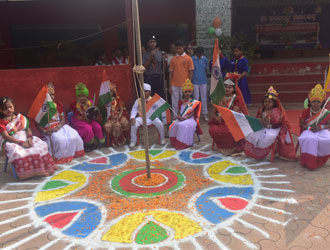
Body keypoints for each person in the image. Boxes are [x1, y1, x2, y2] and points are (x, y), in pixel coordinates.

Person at [0, 97, 57, 179]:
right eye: (5, 108)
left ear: (14, 106)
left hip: (25, 136)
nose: (8, 110)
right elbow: (6, 136)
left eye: (10, 107)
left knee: (41, 146)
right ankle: (27, 172)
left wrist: (29, 138)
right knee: (19, 152)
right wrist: (22, 143)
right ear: (0, 110)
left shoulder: (20, 118)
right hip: (10, 141)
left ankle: (40, 169)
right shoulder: (1, 122)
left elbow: (28, 129)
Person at [243, 86, 296, 161]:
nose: (267, 103)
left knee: (268, 137)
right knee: (251, 135)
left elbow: (276, 123)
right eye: (265, 101)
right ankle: (252, 153)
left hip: (273, 129)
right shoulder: (261, 109)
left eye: (269, 102)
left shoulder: (276, 111)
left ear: (273, 103)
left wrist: (268, 123)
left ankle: (260, 154)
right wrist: (260, 122)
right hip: (263, 127)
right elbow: (257, 119)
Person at [36, 83, 85, 163]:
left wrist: (58, 127)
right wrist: (44, 131)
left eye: (53, 95)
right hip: (48, 129)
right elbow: (37, 124)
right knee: (60, 140)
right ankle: (59, 157)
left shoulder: (57, 106)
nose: (51, 97)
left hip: (59, 127)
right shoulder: (41, 109)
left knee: (74, 135)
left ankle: (74, 154)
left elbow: (62, 119)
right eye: (49, 95)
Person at [209, 74, 248, 155]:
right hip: (219, 122)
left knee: (230, 131)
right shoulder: (219, 97)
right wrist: (216, 117)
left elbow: (233, 114)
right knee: (213, 130)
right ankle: (221, 147)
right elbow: (213, 113)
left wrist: (222, 107)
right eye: (225, 87)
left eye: (230, 87)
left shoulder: (237, 99)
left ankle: (232, 148)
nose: (227, 89)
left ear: (233, 89)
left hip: (231, 122)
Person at [298, 84, 330, 170]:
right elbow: (302, 124)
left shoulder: (326, 112)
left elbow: (329, 124)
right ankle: (309, 161)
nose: (316, 104)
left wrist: (320, 127)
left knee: (328, 139)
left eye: (318, 102)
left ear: (322, 102)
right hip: (309, 130)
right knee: (310, 139)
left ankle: (319, 159)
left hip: (321, 130)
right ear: (310, 102)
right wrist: (310, 128)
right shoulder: (306, 111)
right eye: (314, 101)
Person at [70, 83, 105, 151]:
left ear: (86, 96)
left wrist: (91, 115)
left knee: (97, 126)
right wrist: (82, 116)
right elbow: (77, 114)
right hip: (79, 120)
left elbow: (92, 111)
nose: (81, 98)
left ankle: (98, 141)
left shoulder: (90, 102)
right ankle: (87, 144)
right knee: (87, 129)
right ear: (77, 97)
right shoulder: (75, 104)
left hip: (89, 119)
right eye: (79, 96)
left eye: (83, 96)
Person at [169, 79, 202, 150]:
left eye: (189, 92)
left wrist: (186, 117)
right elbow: (178, 111)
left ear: (191, 92)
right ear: (183, 92)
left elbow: (193, 113)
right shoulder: (180, 101)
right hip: (182, 118)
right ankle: (175, 142)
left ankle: (184, 143)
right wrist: (178, 116)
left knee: (182, 125)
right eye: (186, 92)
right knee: (173, 124)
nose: (187, 93)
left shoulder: (194, 102)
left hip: (190, 119)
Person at [129, 83, 166, 148]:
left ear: (149, 92)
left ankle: (162, 138)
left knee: (160, 124)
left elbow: (157, 109)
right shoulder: (138, 100)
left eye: (146, 91)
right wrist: (132, 117)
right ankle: (133, 141)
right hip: (141, 118)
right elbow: (134, 110)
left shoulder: (153, 100)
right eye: (143, 91)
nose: (144, 92)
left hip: (151, 117)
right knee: (133, 125)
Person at [169, 40, 194, 117]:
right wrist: (170, 86)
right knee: (175, 102)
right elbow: (171, 73)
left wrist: (188, 84)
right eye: (176, 48)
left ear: (183, 47)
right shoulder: (173, 59)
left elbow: (191, 72)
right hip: (174, 84)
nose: (178, 50)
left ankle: (184, 116)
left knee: (185, 102)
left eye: (179, 48)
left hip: (184, 85)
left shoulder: (188, 59)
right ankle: (175, 117)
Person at [103, 82, 130, 147]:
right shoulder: (104, 101)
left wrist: (117, 118)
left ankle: (127, 140)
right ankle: (112, 142)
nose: (110, 93)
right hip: (109, 117)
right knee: (108, 126)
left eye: (111, 92)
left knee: (125, 122)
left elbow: (121, 109)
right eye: (108, 92)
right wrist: (110, 119)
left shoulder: (117, 99)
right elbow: (103, 113)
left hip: (118, 116)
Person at [192, 46, 209, 121]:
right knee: (196, 98)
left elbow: (206, 69)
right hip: (195, 81)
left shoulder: (205, 59)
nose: (200, 55)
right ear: (196, 53)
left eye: (201, 54)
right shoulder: (192, 59)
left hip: (203, 81)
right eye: (199, 54)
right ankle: (196, 114)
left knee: (204, 98)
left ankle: (205, 113)